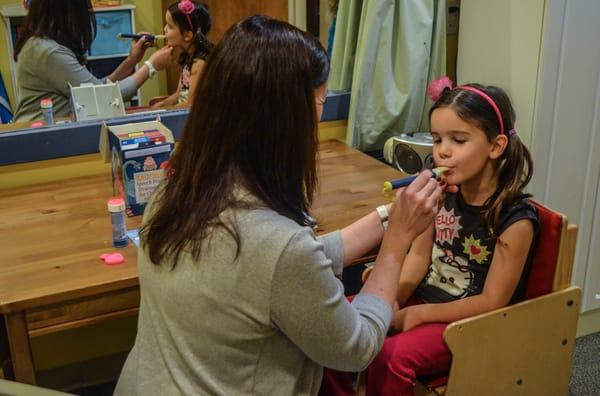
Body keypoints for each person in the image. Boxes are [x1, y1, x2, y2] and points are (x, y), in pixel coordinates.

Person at [114, 15, 444, 395]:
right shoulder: (277, 247)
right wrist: (397, 244)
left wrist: (388, 217)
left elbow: (282, 265)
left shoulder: (173, 194)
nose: (320, 116)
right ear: (287, 117)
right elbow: (355, 348)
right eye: (320, 101)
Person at [348, 79, 539, 396]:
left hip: (470, 325)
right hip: (426, 302)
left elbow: (493, 301)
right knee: (342, 322)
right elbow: (419, 258)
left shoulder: (515, 220)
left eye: (458, 140)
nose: (442, 152)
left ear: (496, 146)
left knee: (387, 359)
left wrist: (417, 314)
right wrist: (394, 295)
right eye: (437, 140)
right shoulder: (440, 196)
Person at [12, 0, 173, 122]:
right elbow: (102, 98)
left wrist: (131, 61)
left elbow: (98, 86)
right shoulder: (48, 52)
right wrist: (151, 66)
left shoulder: (41, 43)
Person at [150, 0, 212, 108]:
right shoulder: (187, 57)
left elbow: (190, 104)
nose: (164, 29)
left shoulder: (199, 64)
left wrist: (167, 110)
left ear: (187, 35)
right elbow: (179, 94)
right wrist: (162, 104)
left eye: (170, 26)